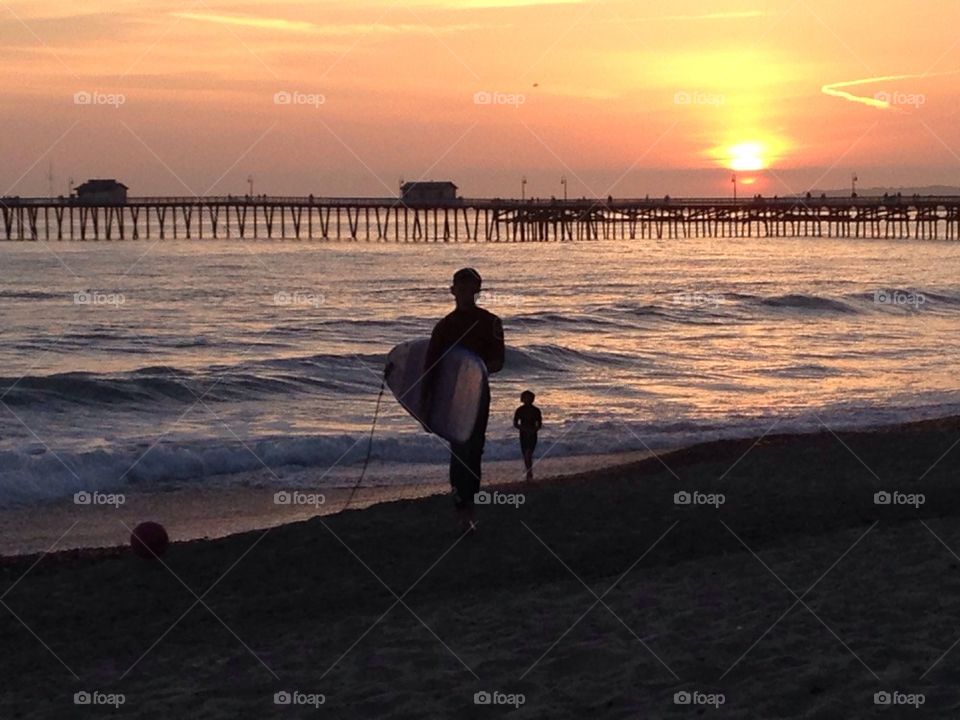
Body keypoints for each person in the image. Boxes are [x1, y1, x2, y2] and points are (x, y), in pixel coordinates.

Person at [423, 268, 504, 531]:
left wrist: (475, 369)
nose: (466, 294)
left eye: (471, 289)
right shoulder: (444, 327)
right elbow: (430, 368)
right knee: (459, 450)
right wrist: (425, 406)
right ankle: (461, 508)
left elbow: (499, 361)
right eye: (462, 289)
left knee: (475, 449)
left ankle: (470, 506)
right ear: (452, 291)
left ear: (478, 291)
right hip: (453, 397)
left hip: (479, 395)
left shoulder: (491, 322)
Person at [513, 391, 542, 481]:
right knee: (525, 454)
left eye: (529, 398)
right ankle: (529, 471)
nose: (527, 400)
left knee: (528, 453)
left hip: (532, 434)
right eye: (525, 398)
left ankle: (529, 472)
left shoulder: (536, 410)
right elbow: (515, 423)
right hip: (523, 434)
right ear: (522, 399)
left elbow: (539, 424)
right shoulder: (519, 410)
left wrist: (534, 430)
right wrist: (523, 429)